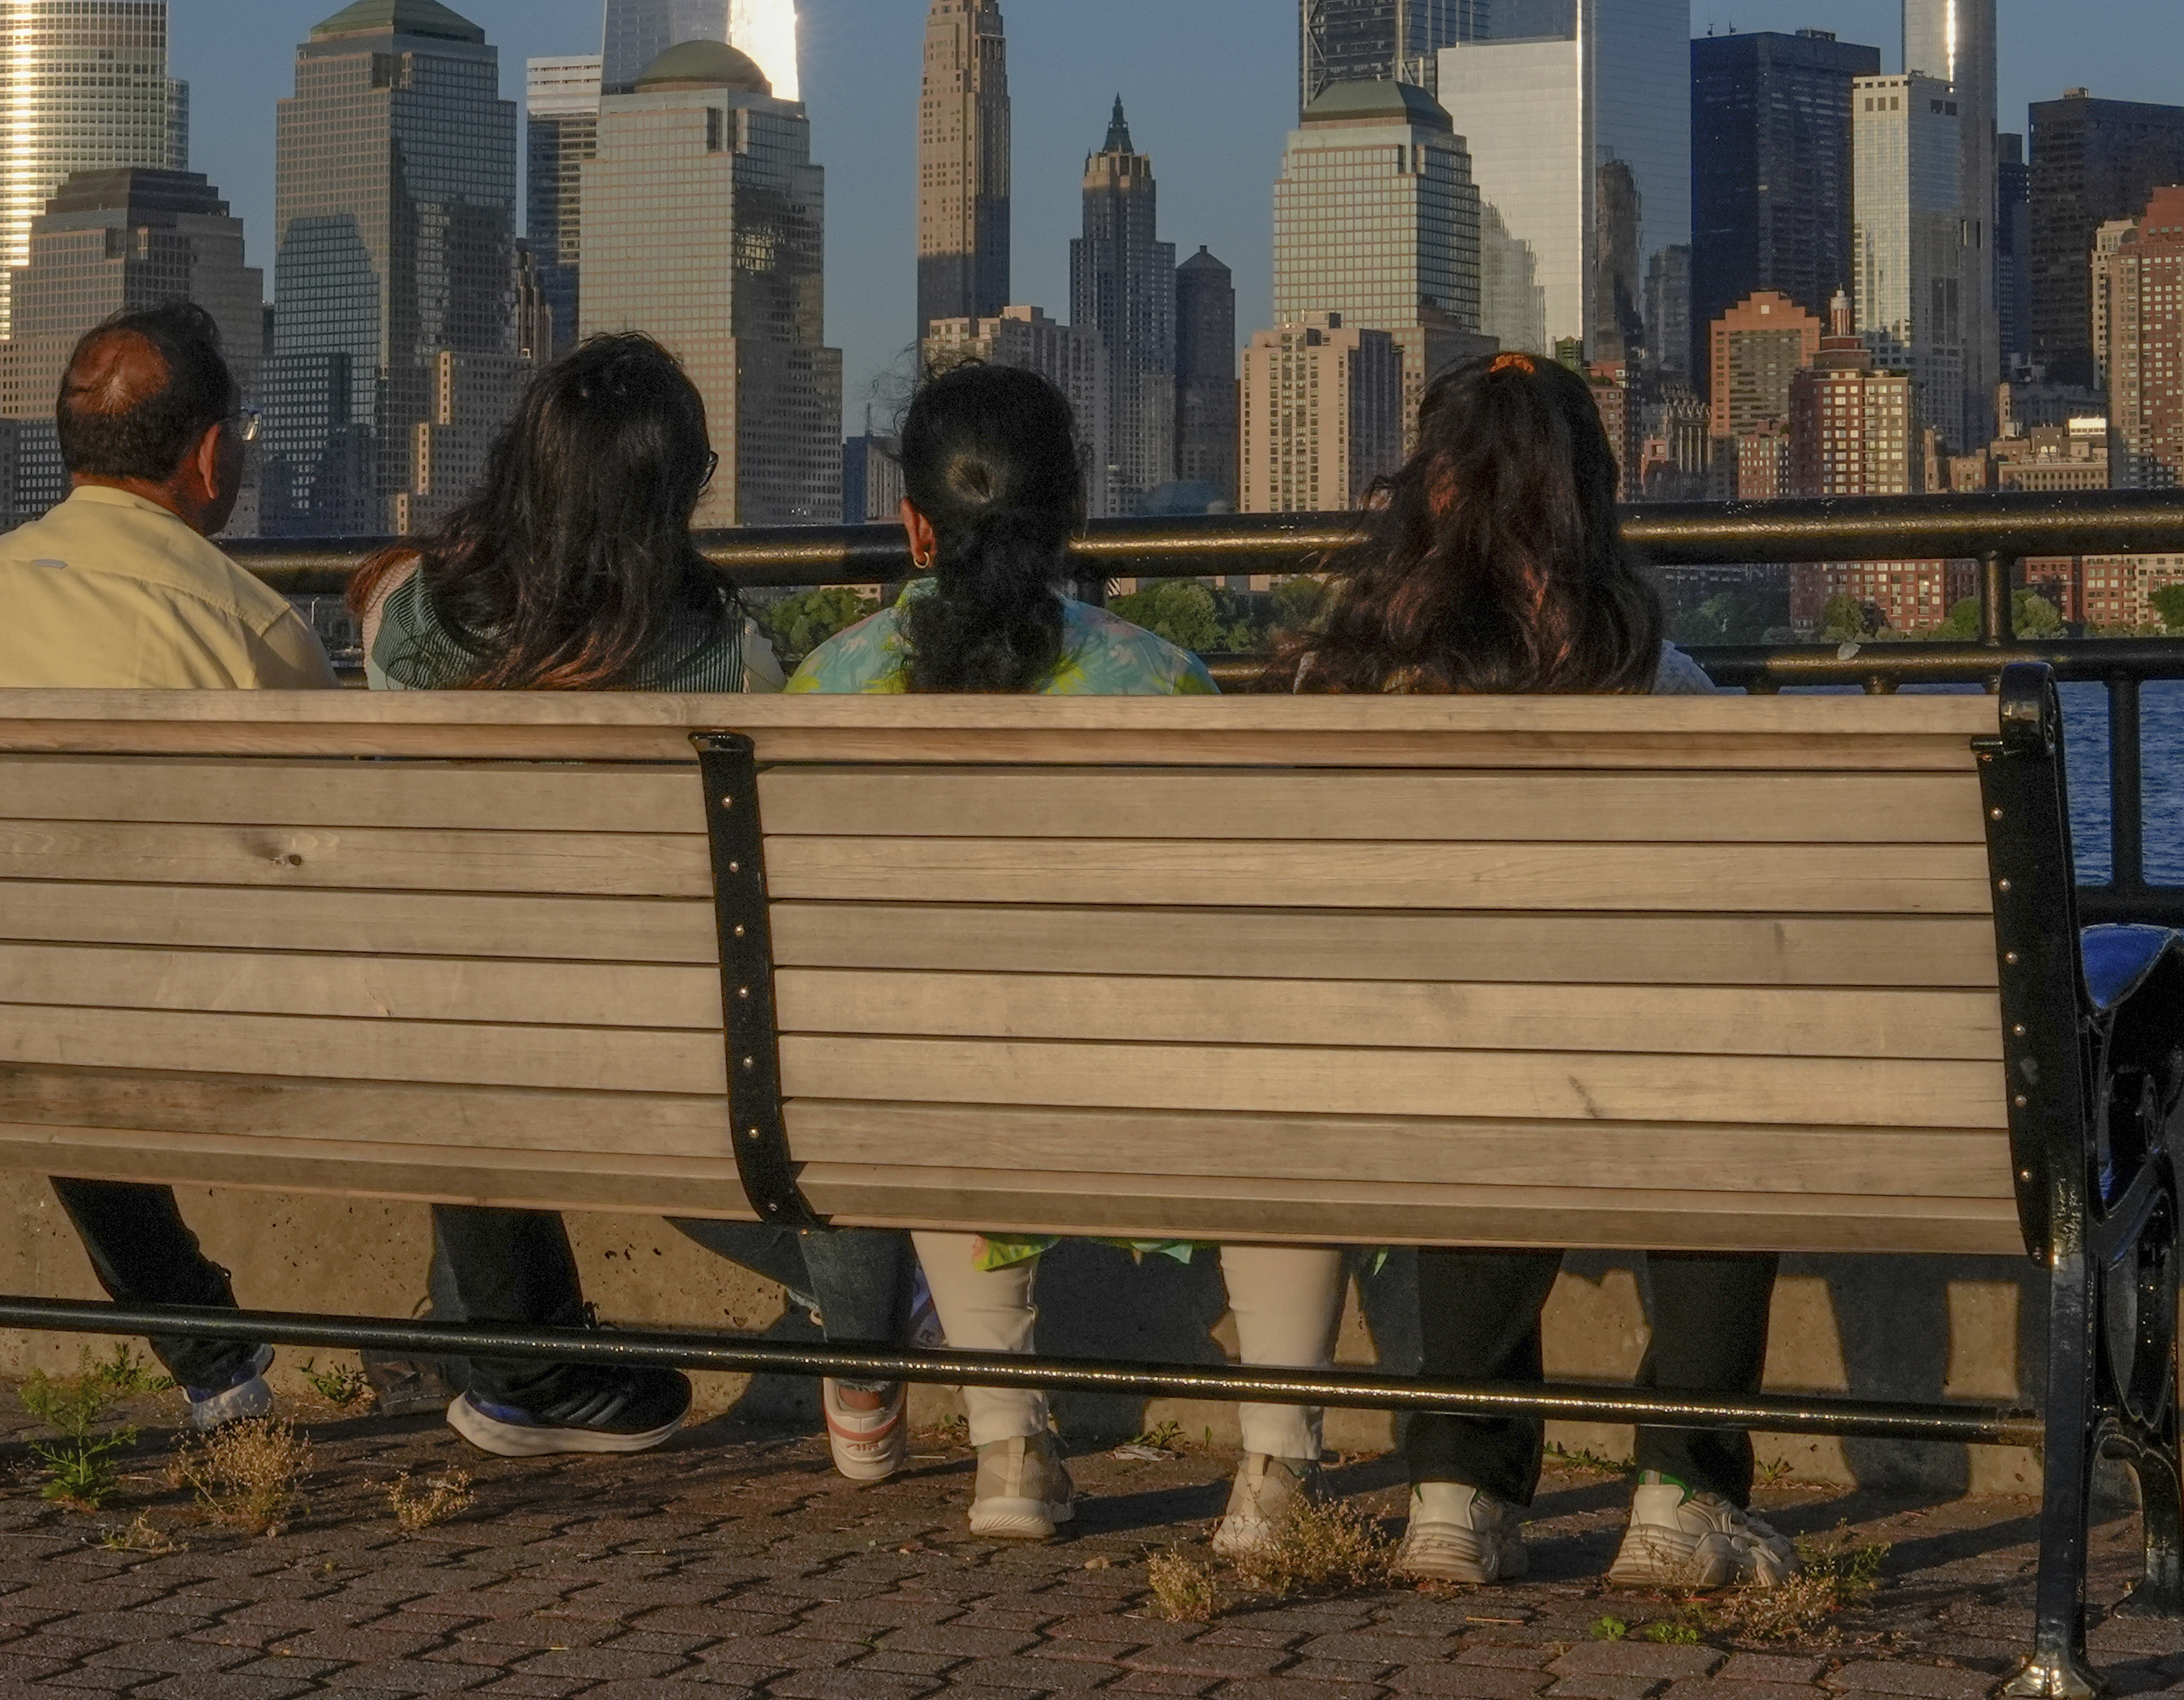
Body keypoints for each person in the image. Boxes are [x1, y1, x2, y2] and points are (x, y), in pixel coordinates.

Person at [793, 359, 1350, 1555]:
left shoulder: (831, 687)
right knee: (1294, 1085)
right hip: (1155, 1091)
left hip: (937, 1099)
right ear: (1073, 515)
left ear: (912, 523)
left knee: (927, 1059)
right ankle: (1274, 1471)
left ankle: (1007, 1446)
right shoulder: (1159, 680)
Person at [346, 333, 919, 1479]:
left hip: (444, 1037)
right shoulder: (730, 658)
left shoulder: (404, 619)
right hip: (661, 1054)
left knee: (477, 1032)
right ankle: (871, 1333)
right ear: (674, 495)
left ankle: (511, 1365)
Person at [1278, 350, 1794, 1593]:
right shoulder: (1651, 677)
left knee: (1469, 1079)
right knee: (1742, 1100)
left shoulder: (1339, 680)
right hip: (1613, 1085)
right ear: (1590, 495)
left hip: (1385, 1081)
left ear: (1427, 489)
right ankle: (1681, 1496)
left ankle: (1456, 1493)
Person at [0, 300, 328, 1430]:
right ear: (213, 455)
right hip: (157, 1029)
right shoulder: (254, 628)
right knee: (87, 1002)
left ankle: (210, 1355)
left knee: (43, 995)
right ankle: (519, 1353)